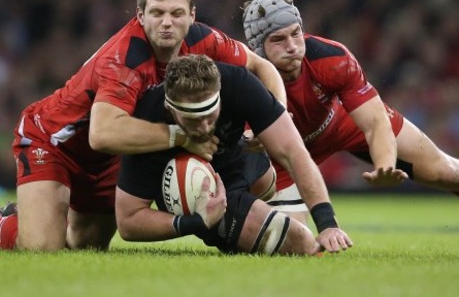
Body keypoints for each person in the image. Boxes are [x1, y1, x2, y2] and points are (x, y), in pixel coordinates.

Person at [0, 0, 285, 251]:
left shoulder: (204, 40)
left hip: (112, 158)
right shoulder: (124, 60)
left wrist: (272, 122)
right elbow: (102, 133)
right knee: (41, 247)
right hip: (54, 142)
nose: (167, 22)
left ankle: (31, 214)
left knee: (84, 244)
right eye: (157, 12)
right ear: (140, 14)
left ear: (192, 15)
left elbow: (262, 67)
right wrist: (184, 136)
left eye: (176, 13)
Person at [240, 0, 459, 234]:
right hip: (283, 153)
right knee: (288, 240)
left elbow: (376, 121)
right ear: (256, 47)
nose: (293, 47)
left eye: (296, 34)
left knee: (446, 171)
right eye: (278, 40)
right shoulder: (238, 78)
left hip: (342, 123)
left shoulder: (330, 58)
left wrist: (384, 164)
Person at [115, 54, 352, 255]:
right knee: (301, 242)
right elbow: (128, 222)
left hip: (238, 158)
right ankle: (232, 224)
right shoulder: (146, 119)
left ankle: (248, 218)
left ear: (220, 95)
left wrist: (327, 223)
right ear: (170, 109)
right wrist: (196, 222)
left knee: (266, 180)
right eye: (192, 119)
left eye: (210, 115)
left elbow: (293, 151)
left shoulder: (238, 83)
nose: (205, 127)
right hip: (198, 193)